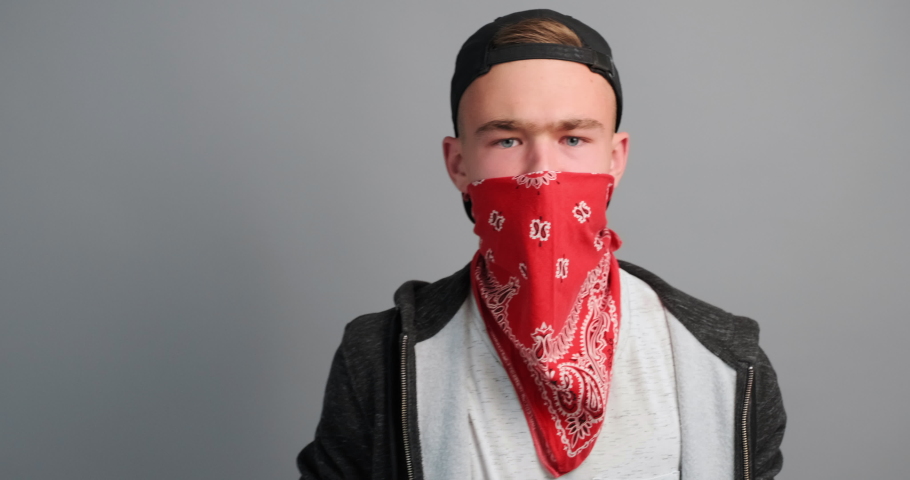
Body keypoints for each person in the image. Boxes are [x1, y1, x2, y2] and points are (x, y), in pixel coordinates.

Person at [297, 9, 785, 480]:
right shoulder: (381, 360)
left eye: (573, 139)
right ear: (459, 165)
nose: (541, 173)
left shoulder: (723, 363)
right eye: (506, 140)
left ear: (614, 159)